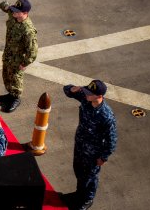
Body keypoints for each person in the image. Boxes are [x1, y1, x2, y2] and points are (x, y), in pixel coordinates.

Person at [63, 80, 117, 210]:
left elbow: (112, 140)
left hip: (93, 153)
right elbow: (66, 90)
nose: (86, 94)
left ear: (99, 96)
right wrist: (72, 89)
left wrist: (103, 157)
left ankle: (87, 199)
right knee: (78, 171)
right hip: (80, 145)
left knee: (90, 177)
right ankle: (78, 194)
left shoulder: (106, 116)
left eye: (89, 93)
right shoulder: (87, 98)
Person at [0, 0, 38, 113]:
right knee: (6, 76)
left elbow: (33, 51)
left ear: (25, 13)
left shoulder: (28, 30)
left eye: (17, 11)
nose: (14, 13)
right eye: (14, 10)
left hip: (18, 60)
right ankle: (10, 94)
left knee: (15, 79)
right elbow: (3, 5)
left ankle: (15, 98)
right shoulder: (13, 15)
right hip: (8, 55)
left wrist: (25, 63)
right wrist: (7, 6)